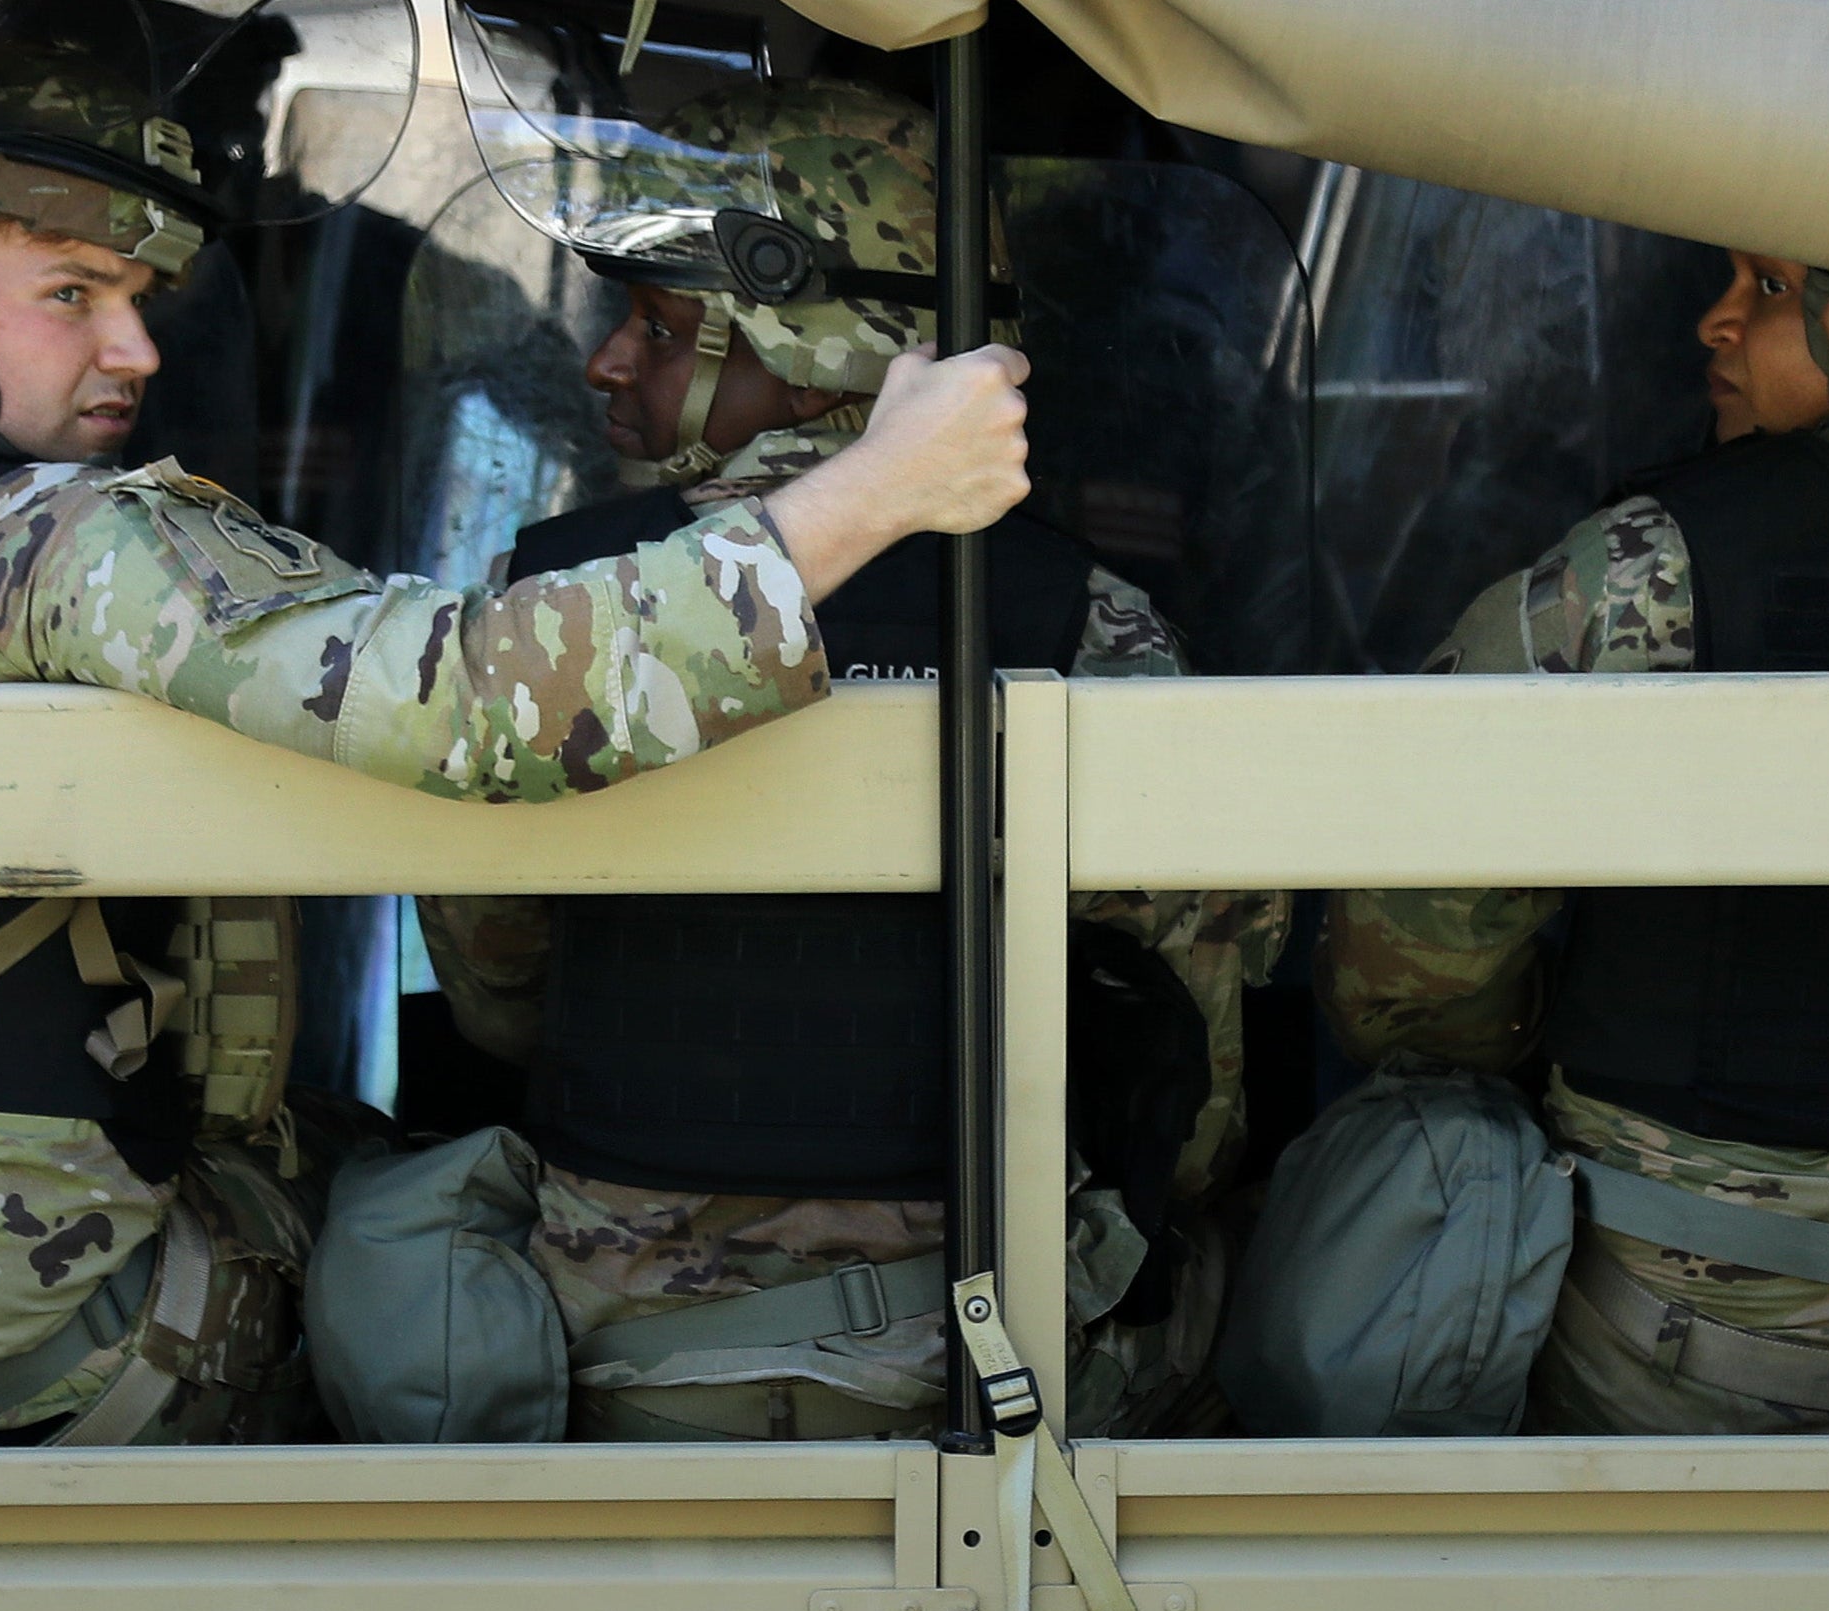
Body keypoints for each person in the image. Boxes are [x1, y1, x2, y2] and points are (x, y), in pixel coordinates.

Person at [0, 4, 1037, 1453]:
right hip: (24, 1352)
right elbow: (472, 706)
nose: (138, 353)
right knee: (405, 1213)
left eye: (136, 302)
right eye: (72, 295)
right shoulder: (41, 543)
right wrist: (878, 490)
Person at [417, 80, 1287, 1441]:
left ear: (818, 342)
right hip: (977, 1351)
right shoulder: (1086, 622)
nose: (602, 363)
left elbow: (490, 977)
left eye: (655, 325)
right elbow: (1190, 1040)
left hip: (613, 1340)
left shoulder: (559, 609)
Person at [1322, 245, 1829, 1432]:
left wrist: (1501, 1051)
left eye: (1770, 287)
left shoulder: (1647, 569)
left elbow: (1407, 953)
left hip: (1704, 1298)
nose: (1715, 322)